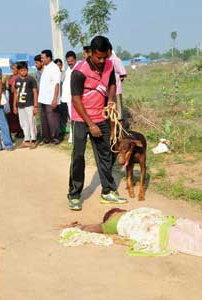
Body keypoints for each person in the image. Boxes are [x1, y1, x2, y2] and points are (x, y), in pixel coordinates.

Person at [68, 36, 127, 211]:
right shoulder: (79, 71)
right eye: (98, 57)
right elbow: (76, 100)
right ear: (90, 53)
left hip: (101, 116)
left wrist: (110, 101)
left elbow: (112, 85)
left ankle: (108, 191)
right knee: (78, 157)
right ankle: (75, 195)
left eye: (105, 57)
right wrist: (90, 124)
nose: (102, 61)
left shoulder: (109, 65)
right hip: (81, 119)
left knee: (105, 155)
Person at [73, 207, 202, 259]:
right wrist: (84, 227)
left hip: (157, 229)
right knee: (200, 229)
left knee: (189, 243)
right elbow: (99, 226)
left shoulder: (118, 222)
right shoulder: (115, 221)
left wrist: (81, 227)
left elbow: (96, 228)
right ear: (114, 214)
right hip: (169, 221)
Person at [13, 62, 38, 149]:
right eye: (21, 70)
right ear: (19, 71)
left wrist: (35, 105)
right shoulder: (17, 80)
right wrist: (14, 105)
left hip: (29, 104)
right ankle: (26, 139)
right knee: (23, 123)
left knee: (31, 122)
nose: (23, 72)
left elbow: (35, 92)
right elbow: (16, 93)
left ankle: (33, 140)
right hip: (20, 105)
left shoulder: (31, 79)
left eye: (25, 70)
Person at [38, 49, 61, 145]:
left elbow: (57, 84)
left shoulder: (54, 68)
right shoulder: (45, 68)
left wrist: (55, 99)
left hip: (51, 99)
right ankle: (46, 138)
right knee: (44, 120)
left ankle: (55, 138)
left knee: (52, 120)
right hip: (43, 99)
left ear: (49, 58)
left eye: (43, 58)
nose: (41, 59)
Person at [60, 51, 78, 144]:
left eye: (71, 61)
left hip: (78, 98)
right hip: (68, 99)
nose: (70, 63)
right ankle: (72, 136)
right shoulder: (67, 71)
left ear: (75, 60)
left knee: (79, 118)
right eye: (68, 61)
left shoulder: (79, 69)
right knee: (72, 118)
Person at [108, 49, 127, 126]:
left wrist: (116, 83)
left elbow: (123, 75)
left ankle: (121, 133)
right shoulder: (105, 61)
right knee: (111, 113)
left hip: (116, 91)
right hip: (107, 92)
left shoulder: (116, 60)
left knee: (119, 113)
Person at [5, 63, 22, 137]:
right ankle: (15, 130)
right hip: (11, 96)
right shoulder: (11, 77)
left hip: (18, 96)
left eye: (14, 69)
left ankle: (21, 130)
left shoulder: (20, 77)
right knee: (11, 114)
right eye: (12, 69)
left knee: (18, 114)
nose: (13, 70)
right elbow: (7, 86)